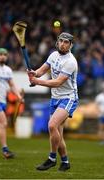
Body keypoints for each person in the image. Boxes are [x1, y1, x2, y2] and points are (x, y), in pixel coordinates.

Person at [27, 32, 78, 171]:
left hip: (68, 97)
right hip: (55, 98)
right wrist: (34, 73)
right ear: (57, 42)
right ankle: (65, 162)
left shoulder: (70, 62)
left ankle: (51, 159)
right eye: (61, 41)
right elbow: (42, 70)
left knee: (51, 126)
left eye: (66, 42)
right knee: (57, 133)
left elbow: (58, 82)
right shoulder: (53, 55)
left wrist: (38, 82)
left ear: (70, 45)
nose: (62, 44)